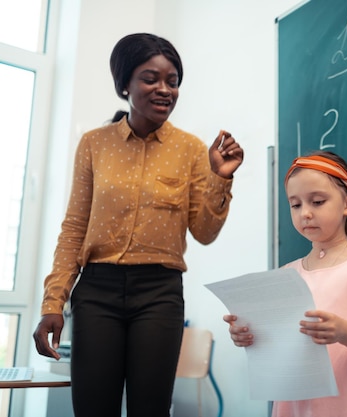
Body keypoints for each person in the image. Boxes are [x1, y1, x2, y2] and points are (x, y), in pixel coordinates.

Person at [32, 33, 244, 417]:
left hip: (159, 295)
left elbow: (205, 233)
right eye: (151, 78)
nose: (164, 89)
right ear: (124, 84)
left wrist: (220, 179)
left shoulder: (192, 149)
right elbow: (75, 228)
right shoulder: (94, 144)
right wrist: (53, 302)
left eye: (173, 81)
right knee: (93, 408)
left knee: (151, 410)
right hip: (97, 292)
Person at [224, 151, 347, 417]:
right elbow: (279, 344)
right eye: (295, 204)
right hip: (297, 404)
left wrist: (343, 332)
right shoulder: (285, 274)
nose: (305, 213)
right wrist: (250, 336)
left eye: (317, 201)